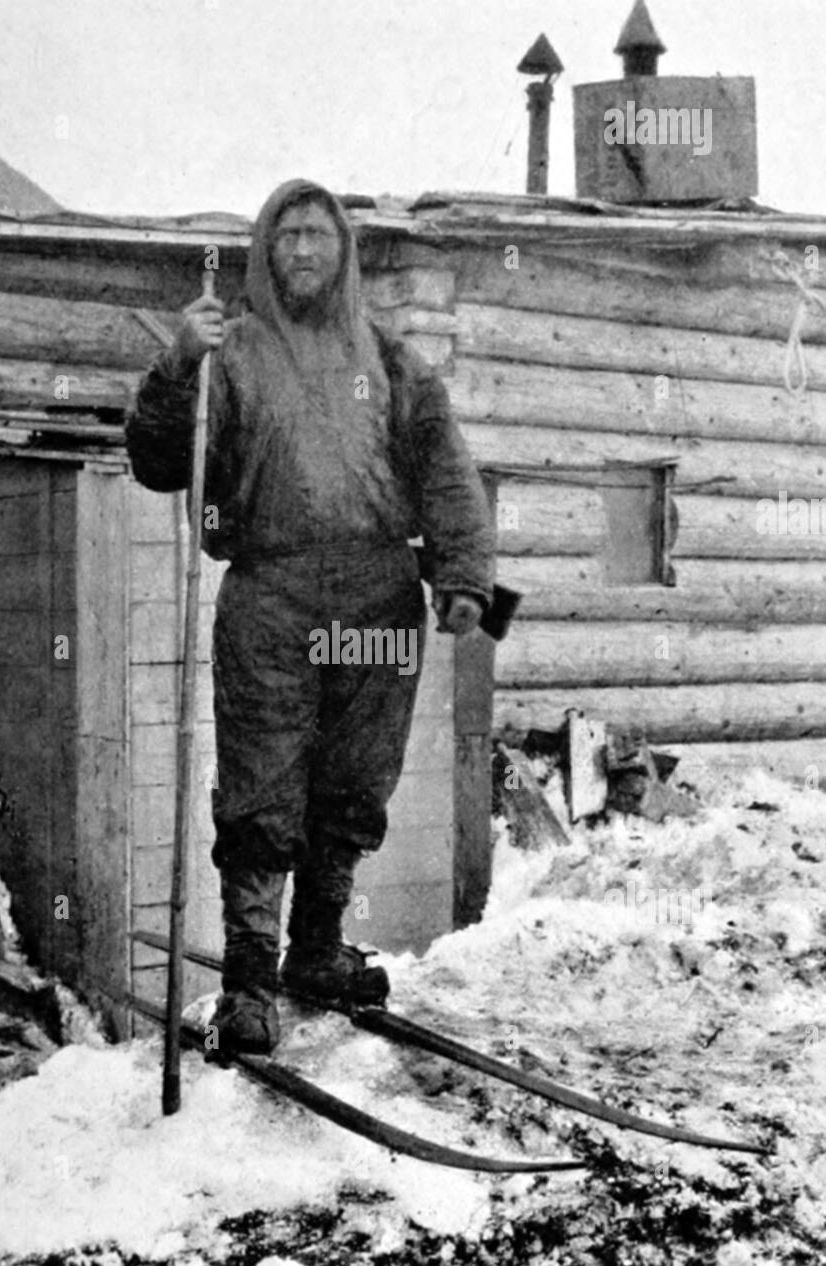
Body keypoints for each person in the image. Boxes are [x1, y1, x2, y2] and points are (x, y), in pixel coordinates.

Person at [125, 178, 494, 1056]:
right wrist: (176, 364)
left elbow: (445, 468)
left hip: (376, 593)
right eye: (285, 236)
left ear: (343, 252)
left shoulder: (391, 358)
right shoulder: (230, 353)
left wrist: (465, 576)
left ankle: (317, 951)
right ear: (265, 250)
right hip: (272, 595)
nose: (301, 251)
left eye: (317, 237)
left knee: (354, 781)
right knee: (261, 787)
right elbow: (154, 462)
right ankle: (251, 983)